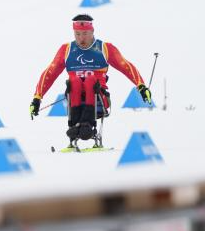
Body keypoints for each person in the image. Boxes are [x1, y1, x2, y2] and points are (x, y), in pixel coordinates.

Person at [29, 14, 152, 148]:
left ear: (92, 31)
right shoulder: (67, 50)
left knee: (90, 80)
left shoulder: (104, 48)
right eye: (77, 34)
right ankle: (75, 127)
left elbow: (126, 66)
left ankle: (87, 125)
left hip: (99, 96)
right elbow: (50, 72)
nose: (81, 38)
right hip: (74, 96)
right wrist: (37, 98)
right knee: (74, 81)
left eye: (85, 34)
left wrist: (141, 86)